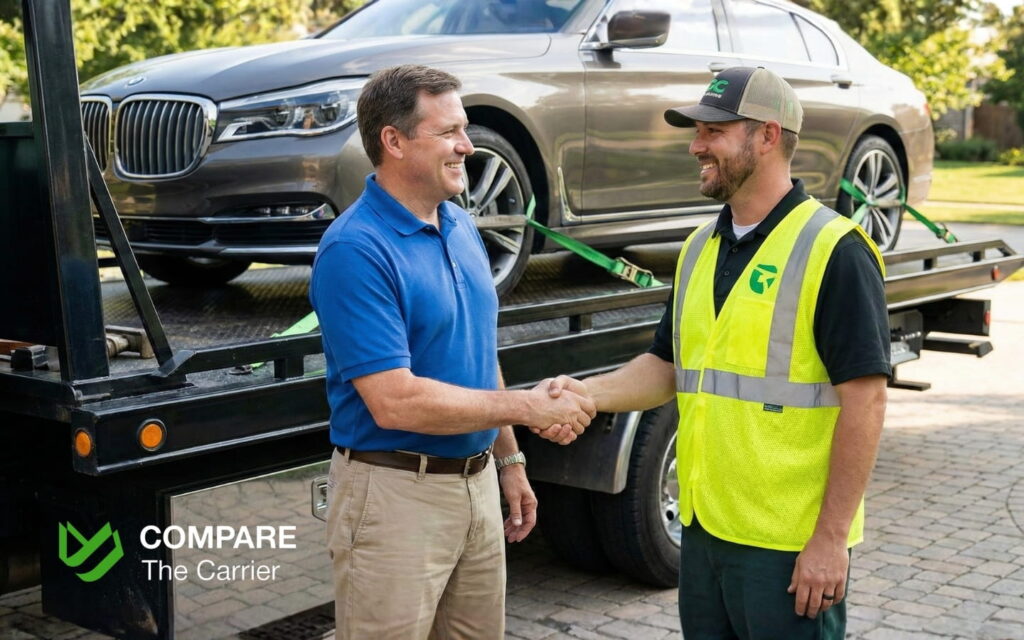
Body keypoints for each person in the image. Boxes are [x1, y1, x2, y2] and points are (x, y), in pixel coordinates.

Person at [543, 66, 890, 639]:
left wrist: (830, 540)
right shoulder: (699, 247)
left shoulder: (834, 250)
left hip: (786, 546)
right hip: (705, 534)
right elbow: (667, 366)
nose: (695, 145)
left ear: (768, 137)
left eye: (714, 131)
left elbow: (867, 402)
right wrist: (586, 394)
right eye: (696, 131)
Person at [309, 65, 595, 639]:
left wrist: (509, 461)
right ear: (394, 141)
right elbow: (396, 402)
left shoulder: (461, 225)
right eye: (448, 133)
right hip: (394, 497)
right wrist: (526, 408)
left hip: (477, 483)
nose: (468, 145)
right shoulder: (355, 250)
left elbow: (477, 355)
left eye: (463, 129)